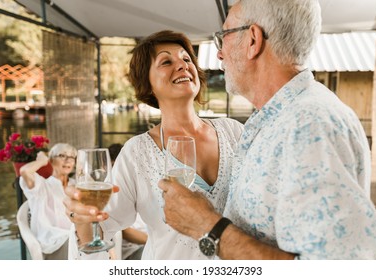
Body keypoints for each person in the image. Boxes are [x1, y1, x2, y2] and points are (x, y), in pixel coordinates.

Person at [158, 0, 376, 259]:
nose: (219, 53)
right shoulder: (278, 118)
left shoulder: (309, 126)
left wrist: (207, 226)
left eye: (224, 37)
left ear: (253, 40)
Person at [64, 30, 244, 259]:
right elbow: (102, 227)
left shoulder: (234, 132)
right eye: (166, 61)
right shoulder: (136, 153)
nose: (182, 65)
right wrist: (81, 218)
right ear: (148, 85)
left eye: (186, 59)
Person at [19, 143, 77, 260]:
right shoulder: (42, 185)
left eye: (72, 157)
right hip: (56, 244)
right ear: (51, 160)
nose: (68, 160)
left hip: (77, 238)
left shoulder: (76, 184)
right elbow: (25, 171)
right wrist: (41, 161)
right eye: (62, 155)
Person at [108, 143, 148, 260]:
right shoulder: (111, 190)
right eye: (115, 166)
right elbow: (124, 231)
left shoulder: (140, 183)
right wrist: (155, 242)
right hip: (134, 249)